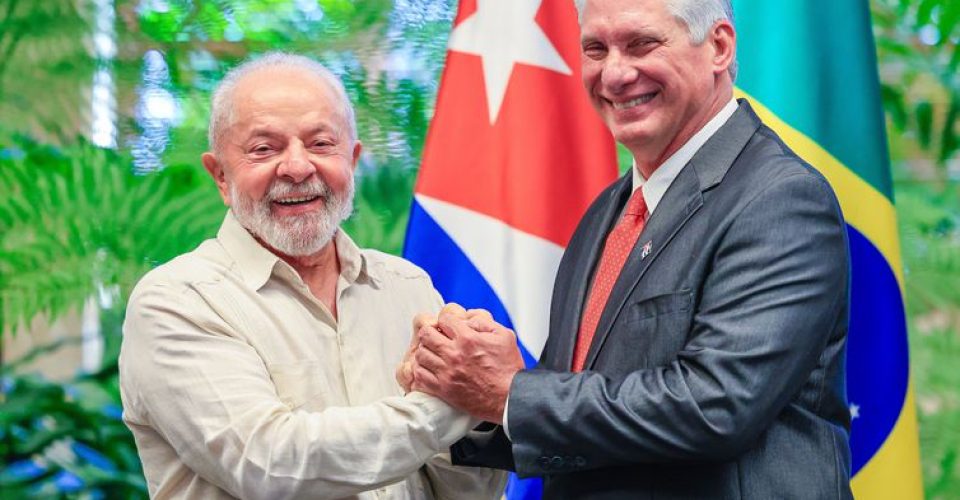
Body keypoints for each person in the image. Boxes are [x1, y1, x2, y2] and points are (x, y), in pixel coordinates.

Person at [404, 0, 853, 498]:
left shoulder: (780, 198)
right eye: (596, 49)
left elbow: (715, 406)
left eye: (642, 44)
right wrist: (461, 393)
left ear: (719, 47)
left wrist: (511, 392)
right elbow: (581, 411)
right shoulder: (607, 212)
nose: (614, 74)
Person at [119, 52, 506, 499]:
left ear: (354, 160)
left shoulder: (408, 286)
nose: (298, 167)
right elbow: (270, 465)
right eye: (264, 149)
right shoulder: (177, 301)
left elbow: (459, 493)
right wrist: (461, 402)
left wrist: (479, 423)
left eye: (322, 144)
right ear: (220, 176)